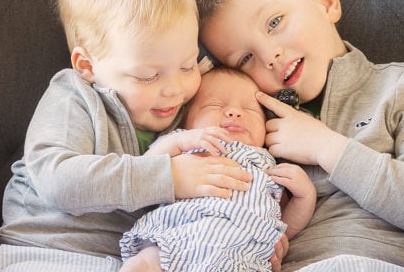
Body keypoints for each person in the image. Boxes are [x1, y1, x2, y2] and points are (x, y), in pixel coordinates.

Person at [0, 0, 253, 271]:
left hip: (135, 260)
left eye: (187, 64)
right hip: (43, 253)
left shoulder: (193, 101)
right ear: (88, 66)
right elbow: (60, 181)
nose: (174, 89)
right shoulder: (76, 98)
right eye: (147, 76)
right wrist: (168, 176)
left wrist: (249, 233)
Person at [191, 0, 404, 272]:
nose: (269, 56)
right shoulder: (255, 122)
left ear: (326, 3)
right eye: (246, 58)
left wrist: (323, 146)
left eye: (274, 22)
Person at [119, 67, 316, 272]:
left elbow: (281, 220)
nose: (234, 112)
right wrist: (178, 140)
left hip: (241, 254)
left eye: (249, 109)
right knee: (142, 264)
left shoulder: (267, 164)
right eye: (214, 105)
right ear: (187, 122)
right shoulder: (183, 144)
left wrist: (305, 197)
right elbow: (142, 171)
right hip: (174, 237)